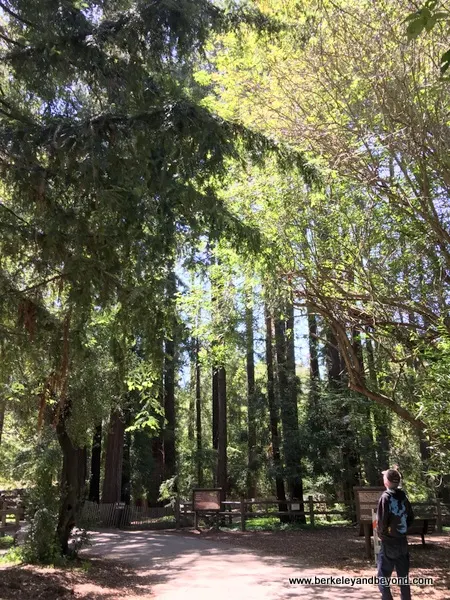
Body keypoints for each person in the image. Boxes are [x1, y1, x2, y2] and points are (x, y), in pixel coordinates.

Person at [376, 468, 414, 600]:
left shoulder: (385, 498)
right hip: (402, 541)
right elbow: (411, 517)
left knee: (383, 576)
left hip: (389, 543)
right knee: (403, 577)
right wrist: (402, 530)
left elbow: (381, 521)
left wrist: (382, 535)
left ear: (386, 481)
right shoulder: (403, 497)